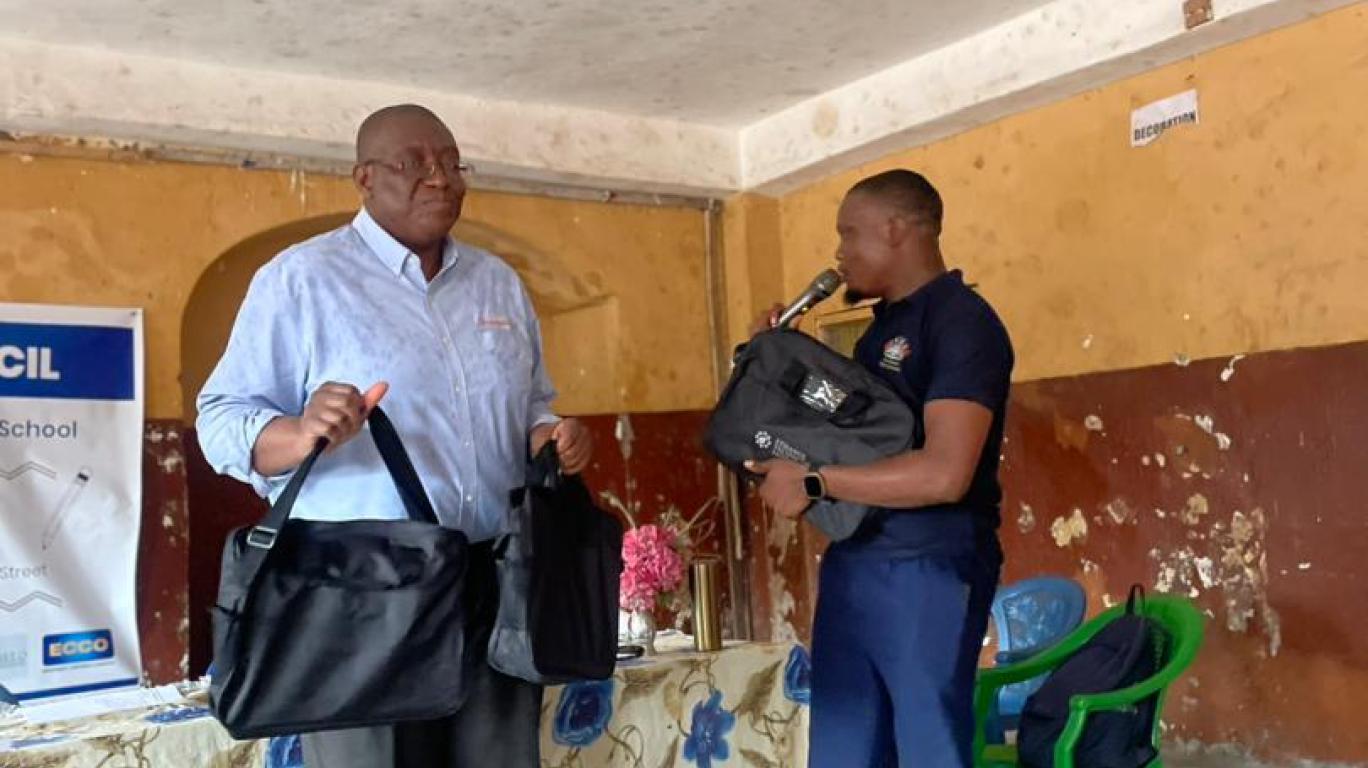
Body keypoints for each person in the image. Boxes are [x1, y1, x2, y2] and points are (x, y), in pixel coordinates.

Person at [196, 103, 592, 767]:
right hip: (364, 594)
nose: (439, 178)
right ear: (365, 178)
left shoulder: (498, 284)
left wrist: (552, 433)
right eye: (413, 164)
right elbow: (219, 418)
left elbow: (531, 407)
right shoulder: (303, 280)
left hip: (497, 585)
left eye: (450, 163)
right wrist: (296, 433)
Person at [747, 169, 1013, 767]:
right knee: (847, 745)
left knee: (926, 747)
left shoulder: (960, 322)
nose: (838, 254)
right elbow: (840, 435)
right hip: (858, 557)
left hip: (927, 567)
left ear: (894, 229)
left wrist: (816, 483)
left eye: (848, 234)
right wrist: (774, 356)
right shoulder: (879, 333)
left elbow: (945, 473)